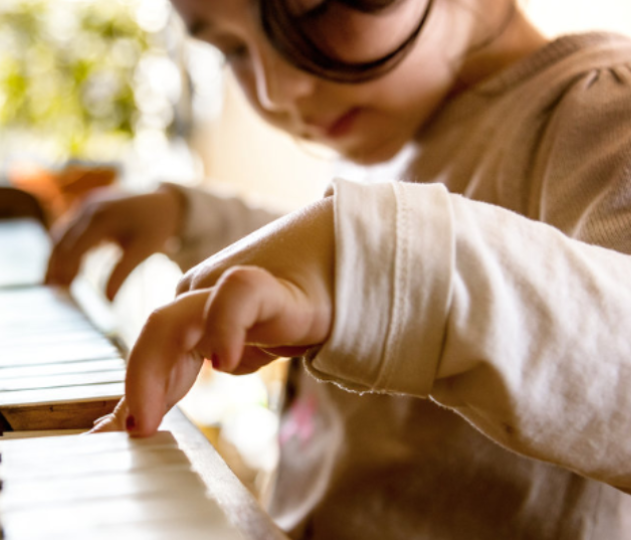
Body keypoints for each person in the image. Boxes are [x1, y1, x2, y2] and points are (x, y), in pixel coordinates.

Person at [45, 0, 631, 537]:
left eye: (312, 7)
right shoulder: (409, 127)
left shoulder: (603, 112)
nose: (276, 92)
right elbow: (333, 268)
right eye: (231, 50)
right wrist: (194, 216)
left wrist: (371, 257)